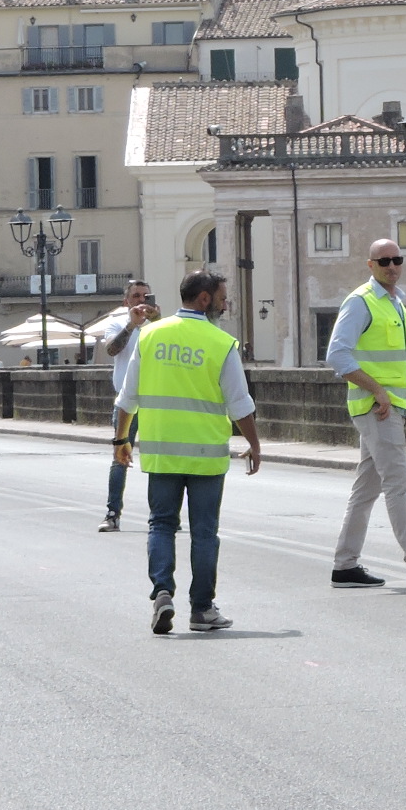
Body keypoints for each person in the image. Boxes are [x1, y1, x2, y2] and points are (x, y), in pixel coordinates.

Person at [116, 271, 262, 634]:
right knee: (204, 532)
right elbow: (239, 404)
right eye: (223, 296)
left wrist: (121, 441)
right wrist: (255, 444)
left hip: (161, 451)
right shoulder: (221, 342)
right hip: (206, 454)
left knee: (161, 525)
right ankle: (202, 608)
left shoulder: (149, 335)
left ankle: (163, 591)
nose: (226, 302)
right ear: (205, 299)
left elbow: (127, 396)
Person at [325, 240, 406, 589]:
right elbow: (337, 356)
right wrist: (378, 391)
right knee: (398, 483)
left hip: (392, 408)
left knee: (366, 491)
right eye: (384, 261)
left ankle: (345, 566)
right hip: (376, 409)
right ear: (371, 264)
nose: (391, 266)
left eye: (397, 259)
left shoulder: (397, 304)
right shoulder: (361, 302)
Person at [98, 280, 157, 531]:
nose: (141, 300)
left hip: (156, 401)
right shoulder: (116, 323)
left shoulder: (159, 326)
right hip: (125, 402)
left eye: (145, 296)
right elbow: (112, 349)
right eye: (136, 296)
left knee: (159, 460)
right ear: (126, 301)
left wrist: (156, 319)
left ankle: (163, 515)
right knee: (120, 456)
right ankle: (113, 513)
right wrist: (132, 324)